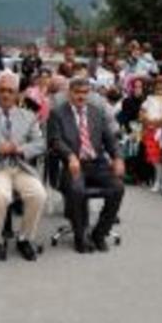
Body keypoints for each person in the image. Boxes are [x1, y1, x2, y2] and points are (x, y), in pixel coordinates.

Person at [0, 71, 47, 262]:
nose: (5, 95)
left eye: (10, 91)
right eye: (2, 90)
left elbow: (40, 143)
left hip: (21, 168)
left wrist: (21, 149)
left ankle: (24, 238)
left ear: (17, 94)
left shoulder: (28, 117)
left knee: (38, 194)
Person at [48, 77, 125, 254]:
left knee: (118, 188)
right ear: (69, 94)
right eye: (77, 92)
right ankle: (80, 235)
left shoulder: (96, 112)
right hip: (73, 164)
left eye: (85, 92)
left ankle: (99, 233)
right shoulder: (57, 113)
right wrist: (69, 156)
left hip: (97, 163)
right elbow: (55, 140)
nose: (81, 97)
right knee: (77, 190)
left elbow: (110, 140)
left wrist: (118, 158)